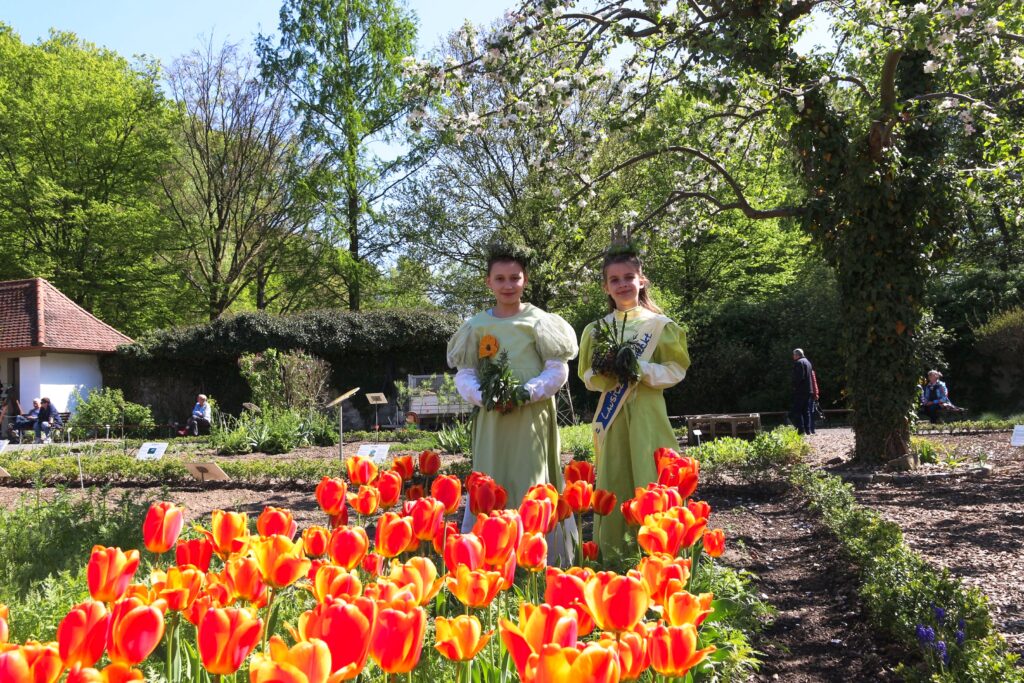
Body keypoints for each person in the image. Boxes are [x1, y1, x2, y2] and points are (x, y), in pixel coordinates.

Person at [447, 243, 579, 563]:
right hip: (493, 420)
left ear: (525, 280)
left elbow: (557, 369)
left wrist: (526, 392)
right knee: (492, 479)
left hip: (531, 416)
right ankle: (487, 556)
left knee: (531, 480)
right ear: (488, 282)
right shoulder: (475, 326)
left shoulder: (540, 321)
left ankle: (538, 557)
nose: (508, 285)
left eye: (515, 278)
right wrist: (485, 396)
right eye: (501, 278)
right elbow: (465, 373)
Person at [578, 243, 691, 559]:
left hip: (647, 413)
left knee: (650, 474)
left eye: (629, 276)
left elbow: (676, 369)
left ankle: (661, 553)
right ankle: (616, 554)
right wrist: (606, 372)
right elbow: (587, 376)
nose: (623, 284)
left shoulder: (660, 326)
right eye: (614, 280)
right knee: (614, 477)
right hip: (613, 420)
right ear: (606, 287)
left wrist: (638, 368)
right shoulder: (596, 330)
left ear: (643, 280)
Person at [790, 348, 815, 435]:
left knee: (798, 411)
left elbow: (799, 377)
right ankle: (808, 430)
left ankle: (800, 431)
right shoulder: (808, 362)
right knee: (806, 411)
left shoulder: (799, 362)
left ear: (797, 355)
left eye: (793, 355)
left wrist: (794, 386)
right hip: (809, 390)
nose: (793, 356)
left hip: (800, 390)